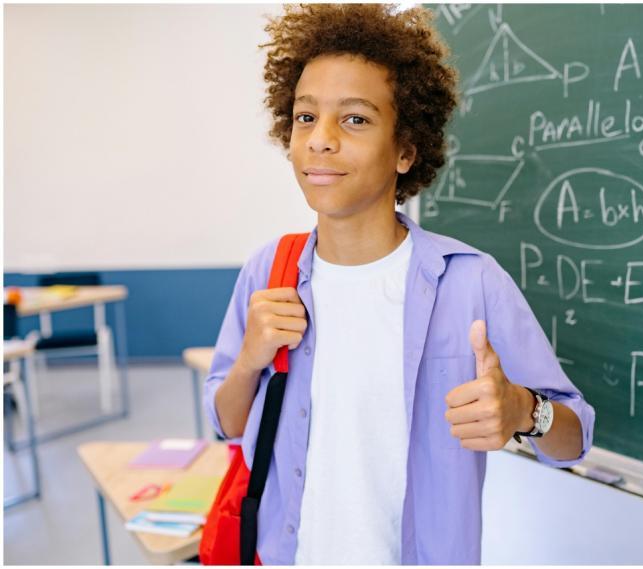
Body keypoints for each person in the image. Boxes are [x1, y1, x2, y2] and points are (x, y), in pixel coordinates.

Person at [204, 4, 595, 565]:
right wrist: (248, 361)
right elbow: (226, 423)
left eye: (355, 119)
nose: (320, 140)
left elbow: (574, 437)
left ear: (406, 151)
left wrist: (521, 411)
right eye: (305, 117)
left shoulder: (470, 283)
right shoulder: (269, 271)